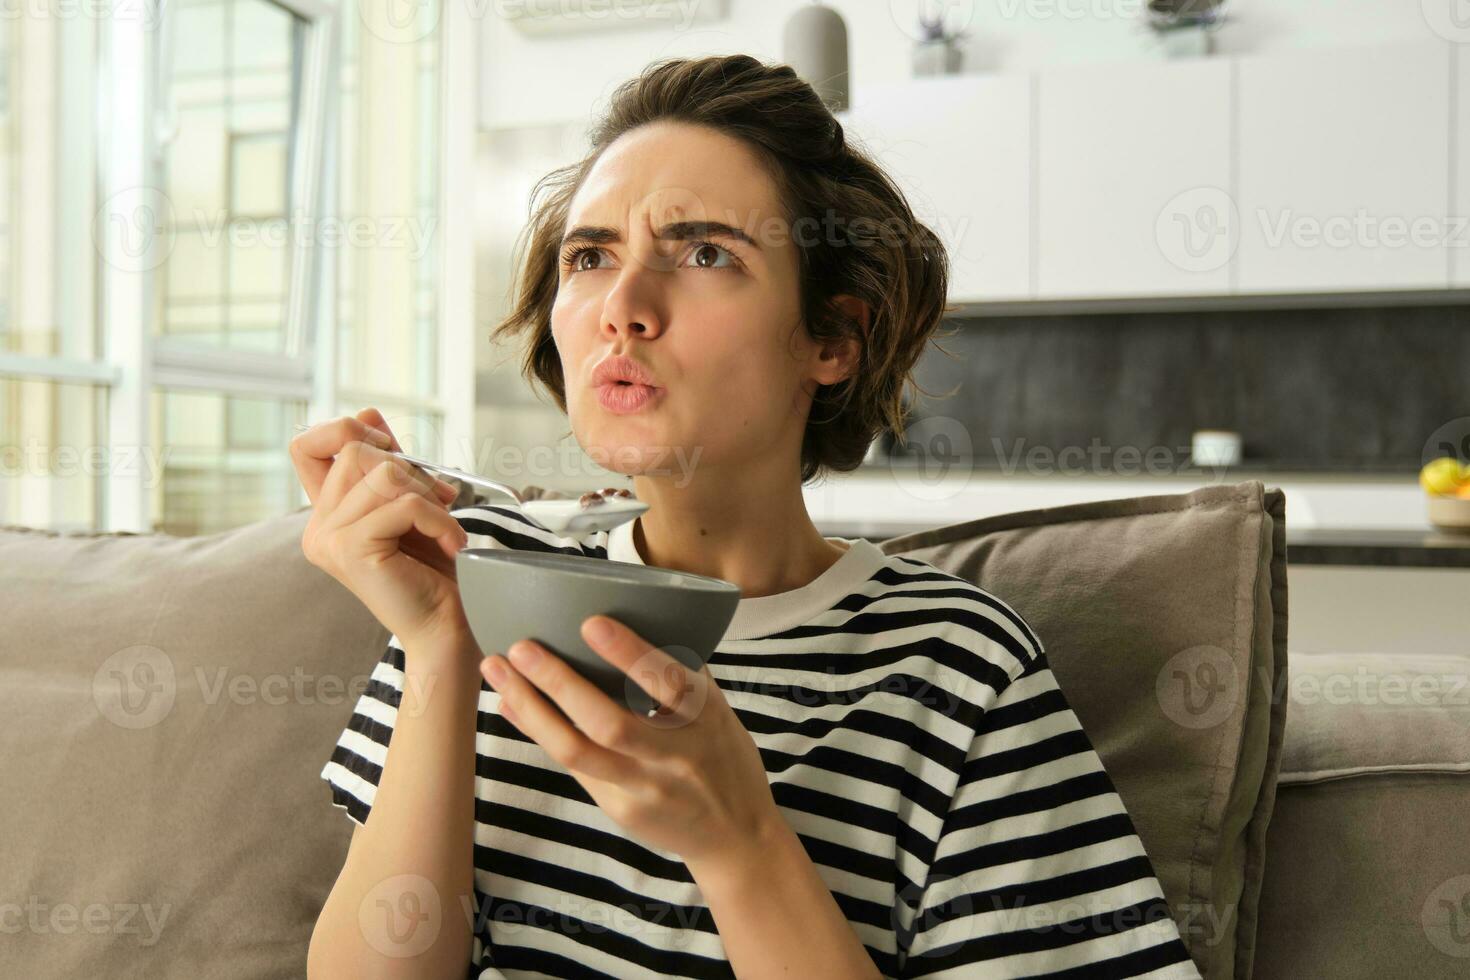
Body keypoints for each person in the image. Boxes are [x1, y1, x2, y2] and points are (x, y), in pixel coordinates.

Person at [292, 53, 1201, 980]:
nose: (624, 309)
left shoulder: (955, 666)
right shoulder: (481, 580)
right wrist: (443, 649)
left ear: (833, 340)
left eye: (706, 253)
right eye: (591, 255)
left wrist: (739, 843)